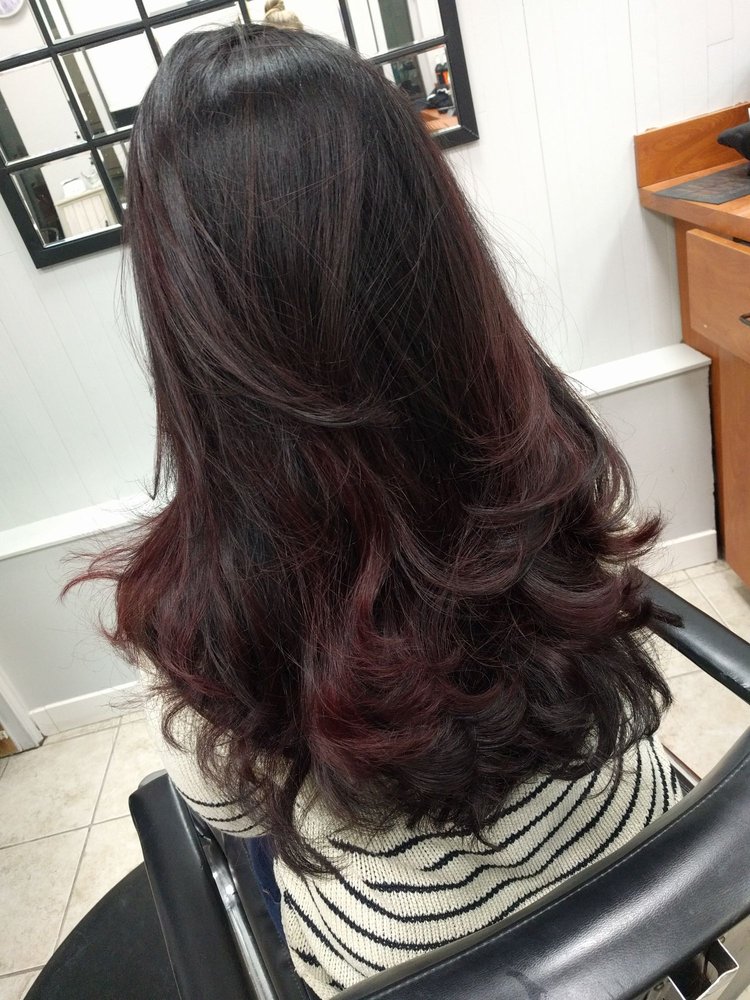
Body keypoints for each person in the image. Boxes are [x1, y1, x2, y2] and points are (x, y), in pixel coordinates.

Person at [63, 20, 681, 1000]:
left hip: (425, 967)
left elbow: (229, 814)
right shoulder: (548, 456)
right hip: (660, 880)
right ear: (434, 243)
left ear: (188, 309)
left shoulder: (190, 615)